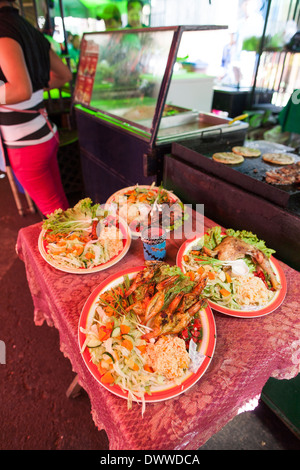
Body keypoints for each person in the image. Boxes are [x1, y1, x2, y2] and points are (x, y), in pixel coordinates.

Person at [0, 1, 72, 216]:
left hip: (26, 143)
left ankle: (80, 247)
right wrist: (37, 88)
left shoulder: (3, 30)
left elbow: (20, 90)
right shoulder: (27, 28)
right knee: (59, 206)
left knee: (55, 214)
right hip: (45, 132)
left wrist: (30, 90)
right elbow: (64, 75)